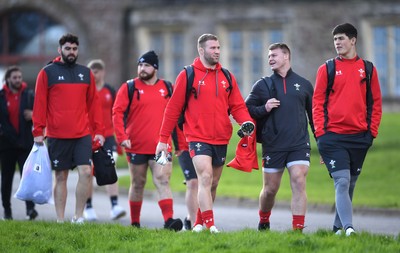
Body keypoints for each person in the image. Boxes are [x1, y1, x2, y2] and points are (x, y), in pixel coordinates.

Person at [155, 33, 255, 233]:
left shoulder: (227, 76)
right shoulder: (188, 74)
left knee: (213, 183)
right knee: (205, 177)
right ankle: (211, 225)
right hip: (196, 136)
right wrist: (162, 139)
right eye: (212, 48)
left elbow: (237, 106)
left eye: (218, 48)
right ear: (201, 50)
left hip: (221, 136)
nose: (217, 51)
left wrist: (247, 122)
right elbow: (173, 109)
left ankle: (199, 222)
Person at [313, 23, 382, 236]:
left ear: (353, 40)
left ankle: (337, 229)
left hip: (360, 137)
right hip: (332, 137)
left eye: (341, 38)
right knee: (341, 181)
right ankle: (350, 228)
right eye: (335, 40)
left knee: (349, 184)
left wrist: (371, 132)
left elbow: (375, 103)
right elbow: (318, 103)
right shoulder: (327, 69)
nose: (337, 43)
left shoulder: (368, 69)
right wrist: (321, 134)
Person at [32, 33, 105, 224]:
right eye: (67, 49)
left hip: (82, 134)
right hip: (57, 134)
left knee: (86, 172)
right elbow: (39, 104)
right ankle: (60, 219)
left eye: (74, 49)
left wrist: (98, 131)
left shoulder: (86, 73)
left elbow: (94, 105)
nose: (71, 52)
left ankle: (78, 217)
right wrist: (38, 131)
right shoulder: (47, 73)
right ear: (60, 50)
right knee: (61, 176)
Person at [245, 43, 314, 232]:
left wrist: (322, 143)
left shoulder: (305, 85)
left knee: (299, 180)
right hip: (273, 145)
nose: (270, 59)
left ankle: (297, 230)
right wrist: (264, 108)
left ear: (286, 56)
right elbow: (244, 110)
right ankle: (264, 219)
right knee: (270, 190)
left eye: (274, 55)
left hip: (299, 144)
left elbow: (314, 117)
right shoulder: (262, 85)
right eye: (269, 56)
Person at [112, 50, 183, 231]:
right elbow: (117, 113)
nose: (142, 69)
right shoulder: (129, 87)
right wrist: (122, 137)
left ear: (155, 68)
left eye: (146, 65)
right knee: (138, 183)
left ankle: (169, 221)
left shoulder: (167, 88)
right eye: (140, 65)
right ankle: (135, 223)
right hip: (135, 146)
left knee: (162, 179)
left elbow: (177, 117)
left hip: (161, 148)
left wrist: (180, 143)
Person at [83, 59, 126, 221]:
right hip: (87, 136)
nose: (95, 74)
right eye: (92, 70)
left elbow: (117, 113)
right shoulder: (85, 91)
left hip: (107, 136)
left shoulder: (109, 91)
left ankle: (115, 205)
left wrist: (118, 138)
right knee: (87, 171)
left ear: (103, 72)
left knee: (109, 168)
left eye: (98, 70)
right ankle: (88, 207)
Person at [0, 66, 38, 220]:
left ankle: (30, 209)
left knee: (27, 178)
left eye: (19, 77)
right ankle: (7, 211)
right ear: (8, 79)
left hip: (25, 143)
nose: (17, 80)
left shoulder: (29, 95)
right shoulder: (1, 96)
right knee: (6, 179)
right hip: (6, 144)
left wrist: (34, 115)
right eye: (14, 77)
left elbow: (41, 113)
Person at [171, 126, 199, 230]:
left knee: (204, 183)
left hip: (204, 143)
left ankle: (190, 218)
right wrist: (176, 145)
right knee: (192, 182)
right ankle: (193, 224)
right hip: (184, 146)